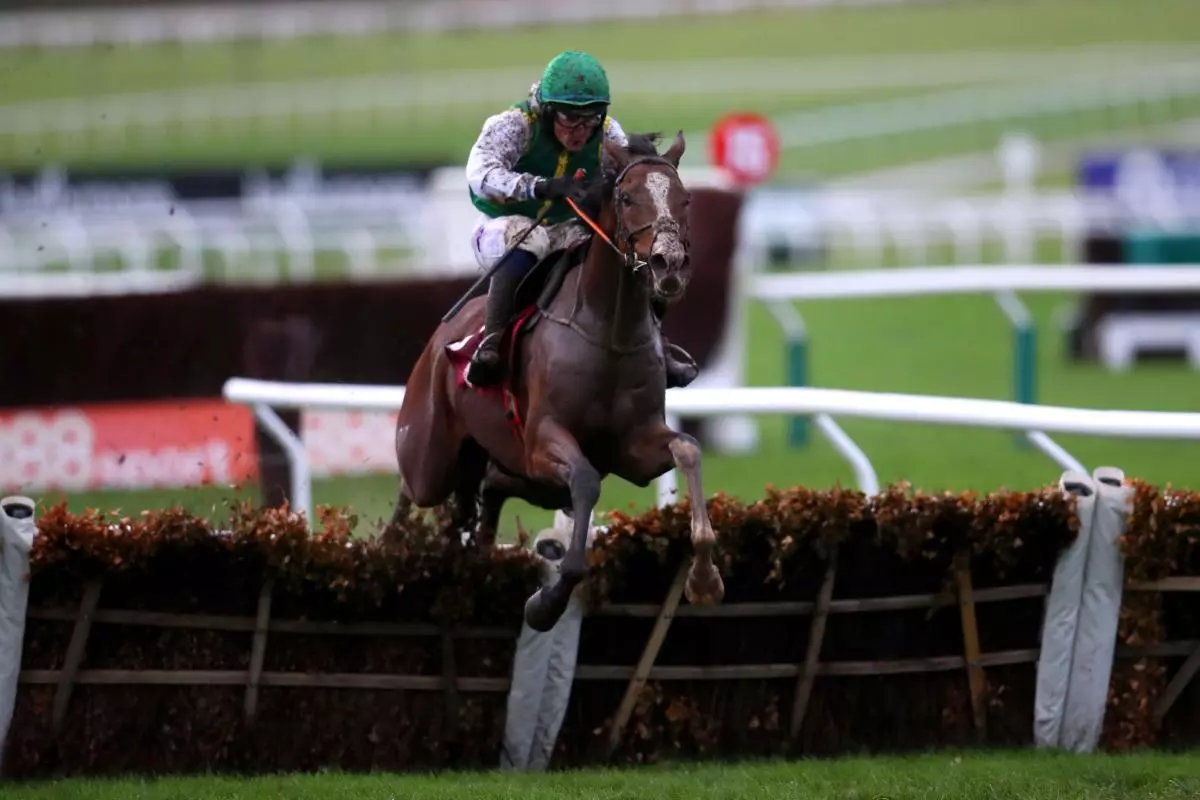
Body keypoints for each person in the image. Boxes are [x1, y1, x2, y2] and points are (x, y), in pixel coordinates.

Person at [463, 49, 699, 389]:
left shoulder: (605, 132)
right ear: (546, 111)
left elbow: (632, 171)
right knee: (530, 239)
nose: (580, 132)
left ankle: (655, 342)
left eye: (590, 120)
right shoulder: (513, 125)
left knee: (623, 252)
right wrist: (538, 187)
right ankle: (492, 343)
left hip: (567, 227)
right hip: (502, 226)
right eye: (569, 120)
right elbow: (479, 174)